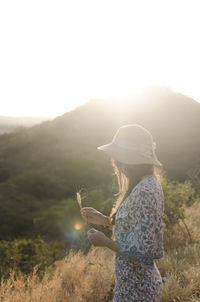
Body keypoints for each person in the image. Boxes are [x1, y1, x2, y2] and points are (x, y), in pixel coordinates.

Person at [81, 124, 164, 302]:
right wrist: (105, 220)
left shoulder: (145, 190)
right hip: (130, 285)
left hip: (138, 291)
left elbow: (143, 250)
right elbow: (136, 226)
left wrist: (105, 242)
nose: (114, 161)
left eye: (117, 157)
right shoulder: (141, 184)